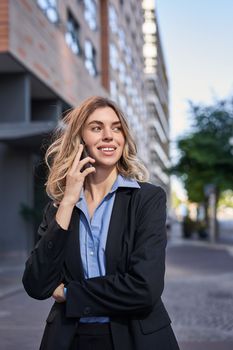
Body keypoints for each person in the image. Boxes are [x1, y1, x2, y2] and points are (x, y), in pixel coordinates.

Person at [22, 96, 180, 350]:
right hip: (70, 340)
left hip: (135, 338)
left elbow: (145, 288)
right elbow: (37, 284)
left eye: (116, 127)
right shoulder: (59, 209)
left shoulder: (146, 199)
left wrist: (69, 294)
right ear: (80, 139)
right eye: (97, 128)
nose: (109, 135)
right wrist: (68, 201)